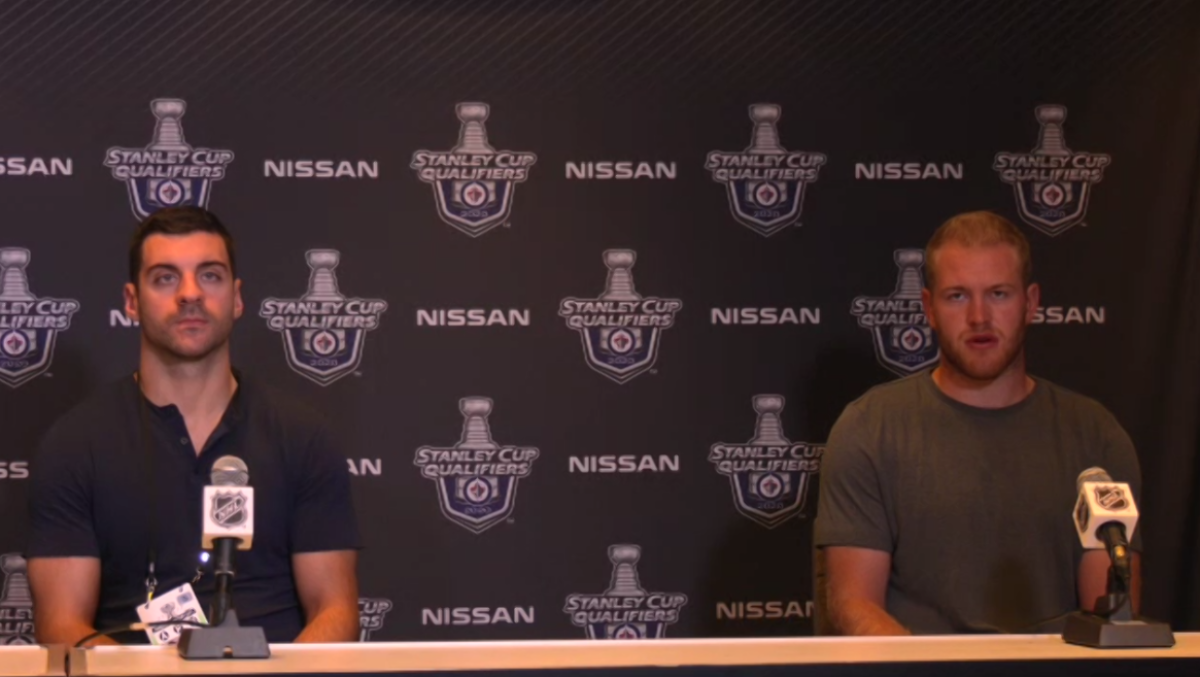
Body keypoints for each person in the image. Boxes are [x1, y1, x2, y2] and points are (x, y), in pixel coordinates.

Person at [26, 207, 361, 645]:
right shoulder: (74, 444)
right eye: (165, 278)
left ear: (237, 298)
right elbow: (62, 626)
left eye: (210, 276)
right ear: (132, 301)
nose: (190, 294)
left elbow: (334, 611)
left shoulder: (303, 437)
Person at [813, 210, 1143, 635]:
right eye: (957, 296)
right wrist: (929, 668)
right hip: (918, 668)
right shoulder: (869, 430)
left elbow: (1111, 617)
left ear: (1031, 303)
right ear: (929, 308)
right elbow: (855, 603)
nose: (979, 317)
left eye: (999, 294)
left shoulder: (1096, 436)